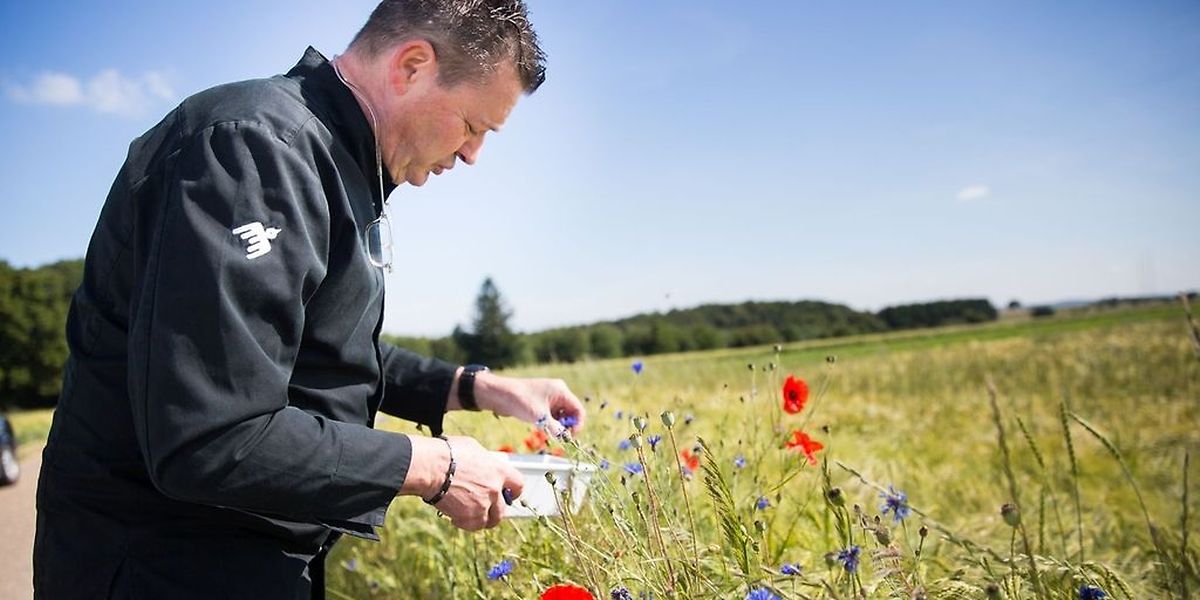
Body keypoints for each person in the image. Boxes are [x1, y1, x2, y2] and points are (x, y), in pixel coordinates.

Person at [32, 1, 584, 598]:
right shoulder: (253, 152)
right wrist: (435, 467)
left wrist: (476, 388)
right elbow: (213, 435)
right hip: (163, 562)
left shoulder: (338, 162)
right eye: (474, 126)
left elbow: (309, 346)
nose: (473, 155)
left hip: (251, 557)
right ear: (413, 65)